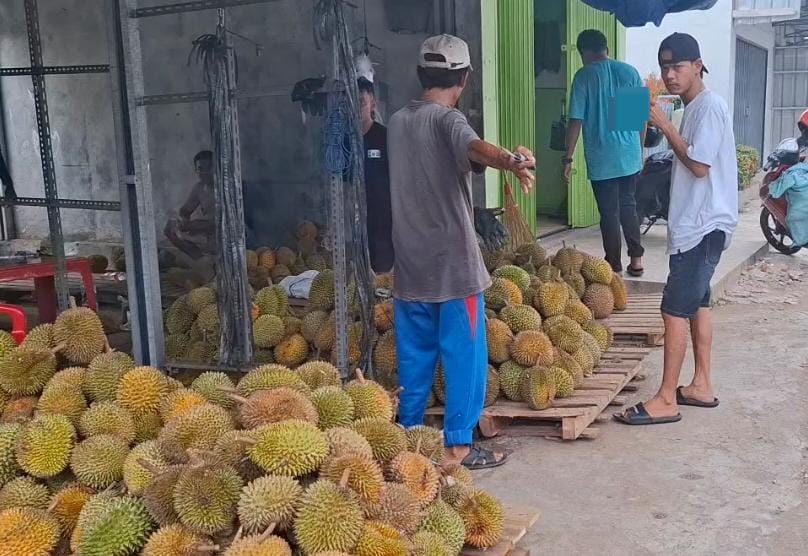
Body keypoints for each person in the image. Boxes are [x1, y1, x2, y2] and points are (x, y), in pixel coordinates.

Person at [387, 34, 536, 469]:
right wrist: (511, 160)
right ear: (465, 78)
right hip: (453, 268)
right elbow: (474, 147)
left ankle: (409, 439)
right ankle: (457, 446)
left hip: (409, 266)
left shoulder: (397, 122)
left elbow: (460, 156)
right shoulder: (448, 121)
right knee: (463, 356)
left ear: (420, 73)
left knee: (414, 358)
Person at [615, 33, 738, 425]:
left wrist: (664, 123)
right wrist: (655, 132)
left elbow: (700, 165)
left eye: (677, 67)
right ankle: (701, 384)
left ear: (698, 65)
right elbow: (689, 155)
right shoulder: (695, 108)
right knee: (698, 304)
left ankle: (666, 398)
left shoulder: (710, 106)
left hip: (703, 226)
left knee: (672, 310)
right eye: (665, 67)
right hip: (699, 225)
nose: (669, 75)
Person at [564, 29, 645, 276]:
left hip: (602, 158)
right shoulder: (628, 71)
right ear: (606, 48)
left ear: (583, 53)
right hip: (629, 156)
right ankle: (637, 260)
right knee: (628, 205)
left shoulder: (584, 76)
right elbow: (638, 120)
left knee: (609, 212)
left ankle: (613, 265)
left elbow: (575, 121)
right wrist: (637, 151)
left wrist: (567, 158)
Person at [358, 77, 394, 274]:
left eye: (361, 102)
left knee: (382, 276)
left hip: (382, 222)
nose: (357, 108)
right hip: (354, 225)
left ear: (372, 103)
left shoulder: (385, 138)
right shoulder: (343, 143)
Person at [164, 150, 216, 260]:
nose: (206, 172)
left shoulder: (228, 188)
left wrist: (195, 225)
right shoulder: (199, 188)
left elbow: (222, 222)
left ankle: (212, 263)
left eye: (210, 167)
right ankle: (202, 262)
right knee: (170, 229)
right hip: (207, 234)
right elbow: (185, 210)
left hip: (225, 235)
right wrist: (181, 220)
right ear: (196, 171)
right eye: (201, 169)